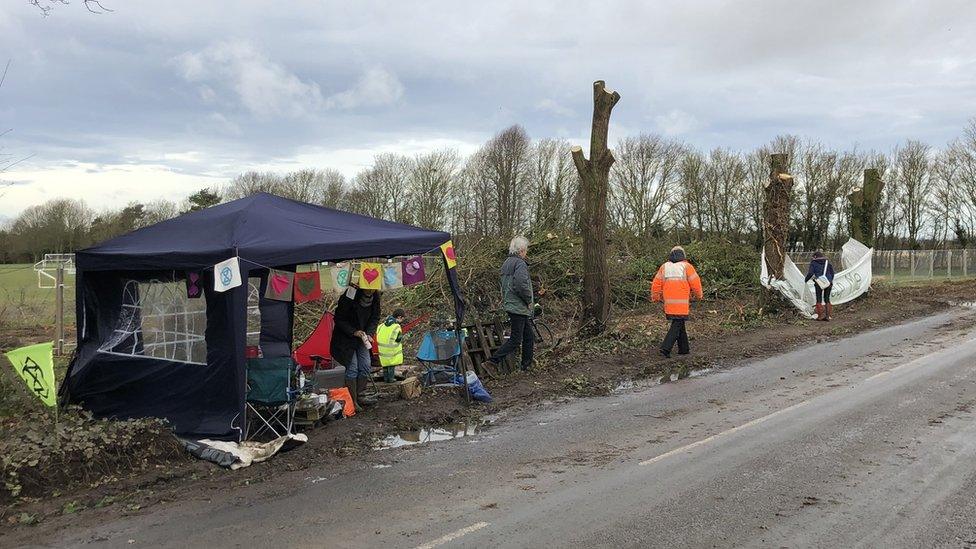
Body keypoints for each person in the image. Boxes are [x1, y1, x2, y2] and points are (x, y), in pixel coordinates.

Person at [486, 236, 535, 371]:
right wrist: (528, 300)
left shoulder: (506, 262)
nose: (526, 253)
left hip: (511, 303)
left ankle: (526, 365)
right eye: (525, 250)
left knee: (529, 336)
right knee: (516, 339)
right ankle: (493, 361)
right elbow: (521, 285)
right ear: (521, 250)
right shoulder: (520, 264)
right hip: (518, 306)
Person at [331, 286, 380, 411]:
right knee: (352, 367)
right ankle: (352, 400)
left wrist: (369, 333)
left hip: (363, 337)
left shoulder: (375, 296)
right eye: (368, 288)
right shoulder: (350, 294)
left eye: (373, 289)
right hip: (346, 338)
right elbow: (339, 318)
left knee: (365, 365)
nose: (370, 290)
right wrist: (354, 332)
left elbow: (375, 317)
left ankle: (360, 395)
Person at [651, 245, 704, 358]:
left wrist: (656, 297)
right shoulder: (687, 267)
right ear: (683, 255)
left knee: (679, 323)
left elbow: (656, 284)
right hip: (682, 303)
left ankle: (684, 349)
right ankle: (665, 349)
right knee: (677, 324)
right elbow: (696, 283)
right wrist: (699, 296)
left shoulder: (664, 267)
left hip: (669, 303)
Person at [376, 308, 406, 383]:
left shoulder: (381, 325)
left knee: (385, 365)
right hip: (391, 350)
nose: (402, 321)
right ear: (399, 317)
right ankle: (391, 379)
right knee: (391, 365)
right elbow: (398, 339)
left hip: (382, 350)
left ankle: (386, 379)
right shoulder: (396, 326)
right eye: (402, 319)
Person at [804, 250, 835, 321]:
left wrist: (805, 280)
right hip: (828, 282)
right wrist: (829, 281)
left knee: (819, 299)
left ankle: (820, 316)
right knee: (827, 298)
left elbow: (810, 273)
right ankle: (828, 316)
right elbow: (832, 273)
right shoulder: (827, 262)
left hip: (819, 283)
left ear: (815, 256)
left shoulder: (814, 263)